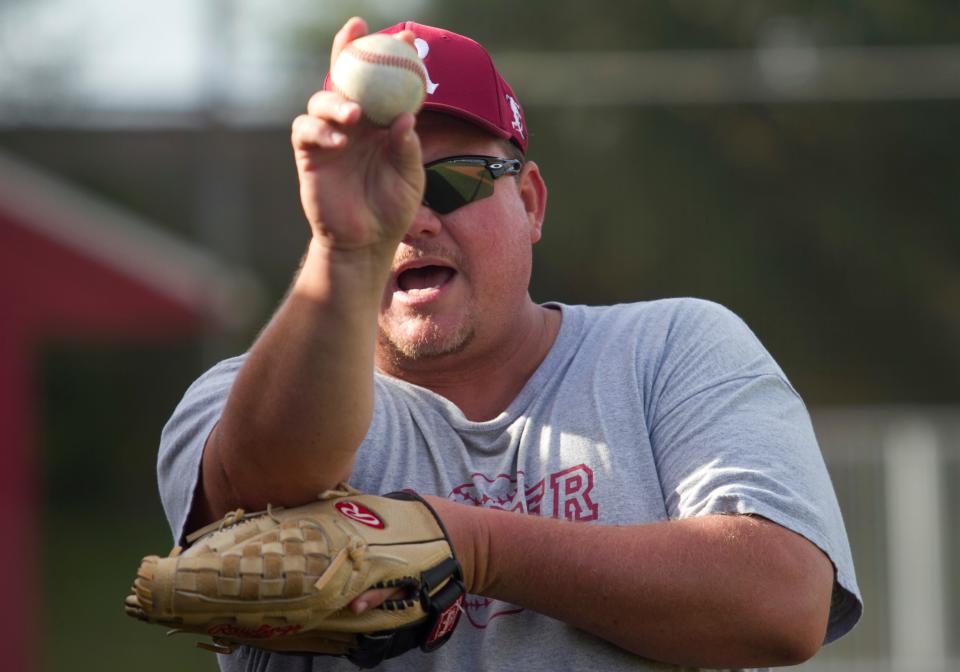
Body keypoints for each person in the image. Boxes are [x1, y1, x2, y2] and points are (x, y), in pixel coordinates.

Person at [158, 16, 862, 672]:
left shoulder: (670, 348)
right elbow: (259, 492)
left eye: (452, 181)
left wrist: (472, 544)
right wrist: (347, 250)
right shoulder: (243, 395)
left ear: (529, 203)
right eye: (380, 184)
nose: (411, 219)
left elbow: (782, 601)